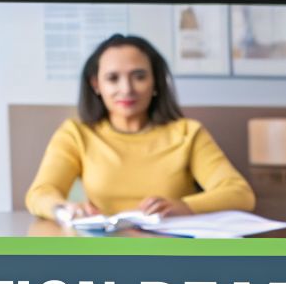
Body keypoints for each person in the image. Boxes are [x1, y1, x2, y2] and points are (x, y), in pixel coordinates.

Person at [25, 34, 254, 221]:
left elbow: (240, 194)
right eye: (113, 78)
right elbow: (40, 193)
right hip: (103, 250)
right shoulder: (76, 134)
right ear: (96, 84)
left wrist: (183, 206)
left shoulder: (188, 133)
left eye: (139, 76)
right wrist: (64, 209)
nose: (126, 89)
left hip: (172, 250)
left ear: (155, 82)